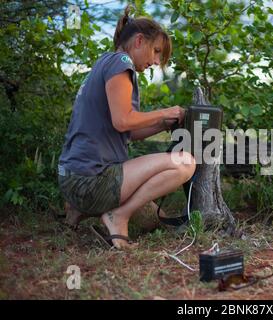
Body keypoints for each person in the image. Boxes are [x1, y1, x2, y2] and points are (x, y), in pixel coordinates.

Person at [58, 6, 195, 249]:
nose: (154, 61)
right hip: (91, 181)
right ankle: (118, 216)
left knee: (153, 218)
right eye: (155, 51)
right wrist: (167, 111)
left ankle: (78, 210)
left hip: (73, 179)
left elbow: (127, 131)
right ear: (139, 40)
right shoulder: (121, 62)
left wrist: (163, 123)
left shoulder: (105, 63)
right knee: (186, 163)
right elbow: (123, 120)